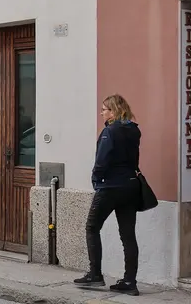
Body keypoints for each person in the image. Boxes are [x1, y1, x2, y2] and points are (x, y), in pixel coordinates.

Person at [73, 94, 141, 296]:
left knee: (92, 227)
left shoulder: (109, 132)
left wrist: (96, 180)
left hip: (111, 186)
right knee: (128, 235)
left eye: (104, 109)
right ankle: (130, 281)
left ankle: (95, 275)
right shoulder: (134, 130)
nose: (101, 112)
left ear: (113, 111)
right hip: (130, 185)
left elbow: (101, 160)